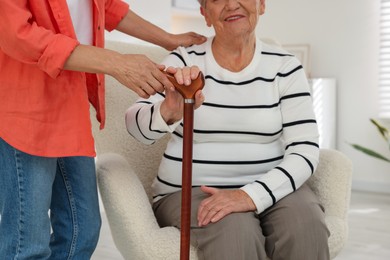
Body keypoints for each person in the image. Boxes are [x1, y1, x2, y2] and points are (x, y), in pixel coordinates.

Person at [0, 0, 206, 259]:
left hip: (70, 102)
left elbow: (105, 7)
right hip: (26, 110)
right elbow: (18, 35)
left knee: (81, 231)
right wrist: (116, 63)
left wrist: (167, 39)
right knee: (27, 244)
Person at [125, 0, 330, 259]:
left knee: (306, 227)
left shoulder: (285, 67)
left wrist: (250, 195)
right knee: (236, 233)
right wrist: (169, 111)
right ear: (205, 14)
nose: (232, 4)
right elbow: (135, 127)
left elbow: (305, 148)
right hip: (190, 190)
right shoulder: (184, 59)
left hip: (271, 181)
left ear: (262, 5)